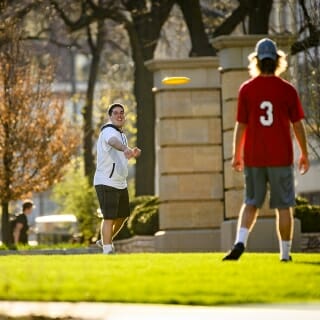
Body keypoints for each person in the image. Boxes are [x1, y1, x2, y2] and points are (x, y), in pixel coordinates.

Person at [222, 38, 310, 262]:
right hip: (280, 156)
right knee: (283, 206)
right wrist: (304, 154)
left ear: (257, 62)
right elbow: (297, 125)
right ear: (278, 61)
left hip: (254, 156)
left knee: (251, 202)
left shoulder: (247, 89)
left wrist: (237, 154)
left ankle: (240, 242)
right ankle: (285, 254)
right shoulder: (287, 90)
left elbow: (241, 125)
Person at [94, 103, 141, 254]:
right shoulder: (108, 130)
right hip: (106, 181)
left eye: (122, 113)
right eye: (116, 113)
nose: (119, 115)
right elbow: (113, 143)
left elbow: (121, 151)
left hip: (120, 182)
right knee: (109, 217)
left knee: (122, 216)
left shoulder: (121, 134)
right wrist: (125, 148)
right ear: (110, 116)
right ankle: (107, 250)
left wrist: (131, 152)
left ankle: (104, 240)